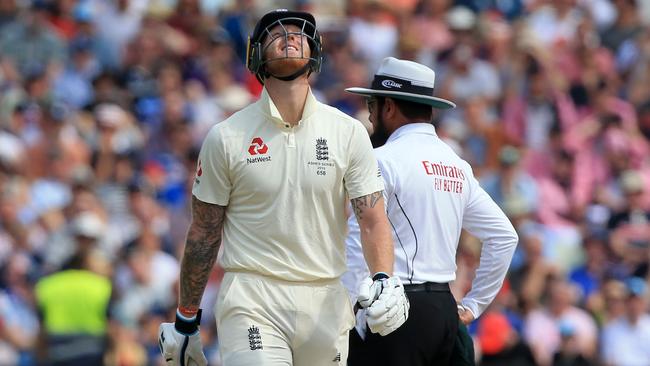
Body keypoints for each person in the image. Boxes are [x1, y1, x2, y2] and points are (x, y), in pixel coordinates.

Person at [157, 9, 408, 366]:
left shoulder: (348, 131)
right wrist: (186, 319)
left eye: (298, 33)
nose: (289, 37)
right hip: (252, 296)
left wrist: (384, 277)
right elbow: (204, 232)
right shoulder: (226, 137)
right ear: (256, 56)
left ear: (315, 52)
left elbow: (372, 217)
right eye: (276, 34)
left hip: (325, 301)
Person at [343, 57, 518, 366]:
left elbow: (360, 235)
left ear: (389, 107)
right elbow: (504, 236)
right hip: (443, 311)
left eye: (372, 104)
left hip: (392, 312)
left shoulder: (382, 159)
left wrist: (352, 312)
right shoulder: (457, 165)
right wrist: (473, 305)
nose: (370, 116)